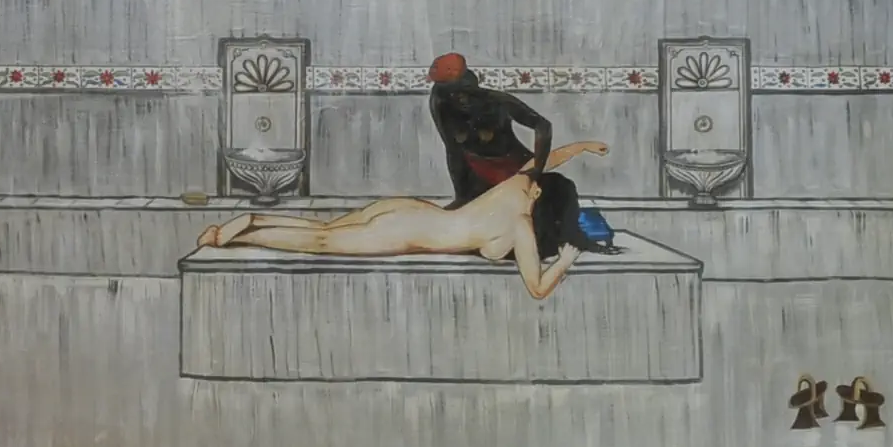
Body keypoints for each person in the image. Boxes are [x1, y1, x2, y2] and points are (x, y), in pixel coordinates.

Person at [197, 145, 607, 299]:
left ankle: (254, 219)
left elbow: (543, 159)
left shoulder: (519, 185)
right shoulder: (520, 223)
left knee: (326, 230)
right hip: (406, 232)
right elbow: (537, 288)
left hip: (408, 211)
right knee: (323, 242)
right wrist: (564, 261)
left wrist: (582, 147)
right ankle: (241, 235)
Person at [425, 53, 550, 206]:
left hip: (515, 172)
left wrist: (537, 168)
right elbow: (453, 150)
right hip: (478, 179)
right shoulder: (440, 104)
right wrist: (462, 197)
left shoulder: (497, 102)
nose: (459, 99)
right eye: (452, 94)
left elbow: (543, 126)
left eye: (463, 94)